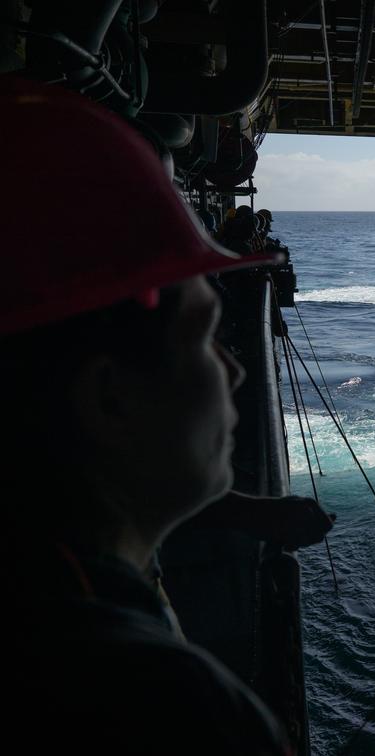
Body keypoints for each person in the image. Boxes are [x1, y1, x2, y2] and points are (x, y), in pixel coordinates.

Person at [1, 74, 302, 754]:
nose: (235, 369)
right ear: (110, 397)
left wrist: (250, 512)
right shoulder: (166, 710)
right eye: (203, 337)